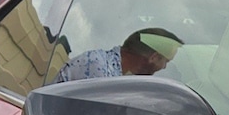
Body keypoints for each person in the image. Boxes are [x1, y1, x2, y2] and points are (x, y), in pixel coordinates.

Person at [52, 26, 182, 85]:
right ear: (154, 57)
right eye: (166, 61)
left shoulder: (121, 79)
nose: (164, 67)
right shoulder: (98, 69)